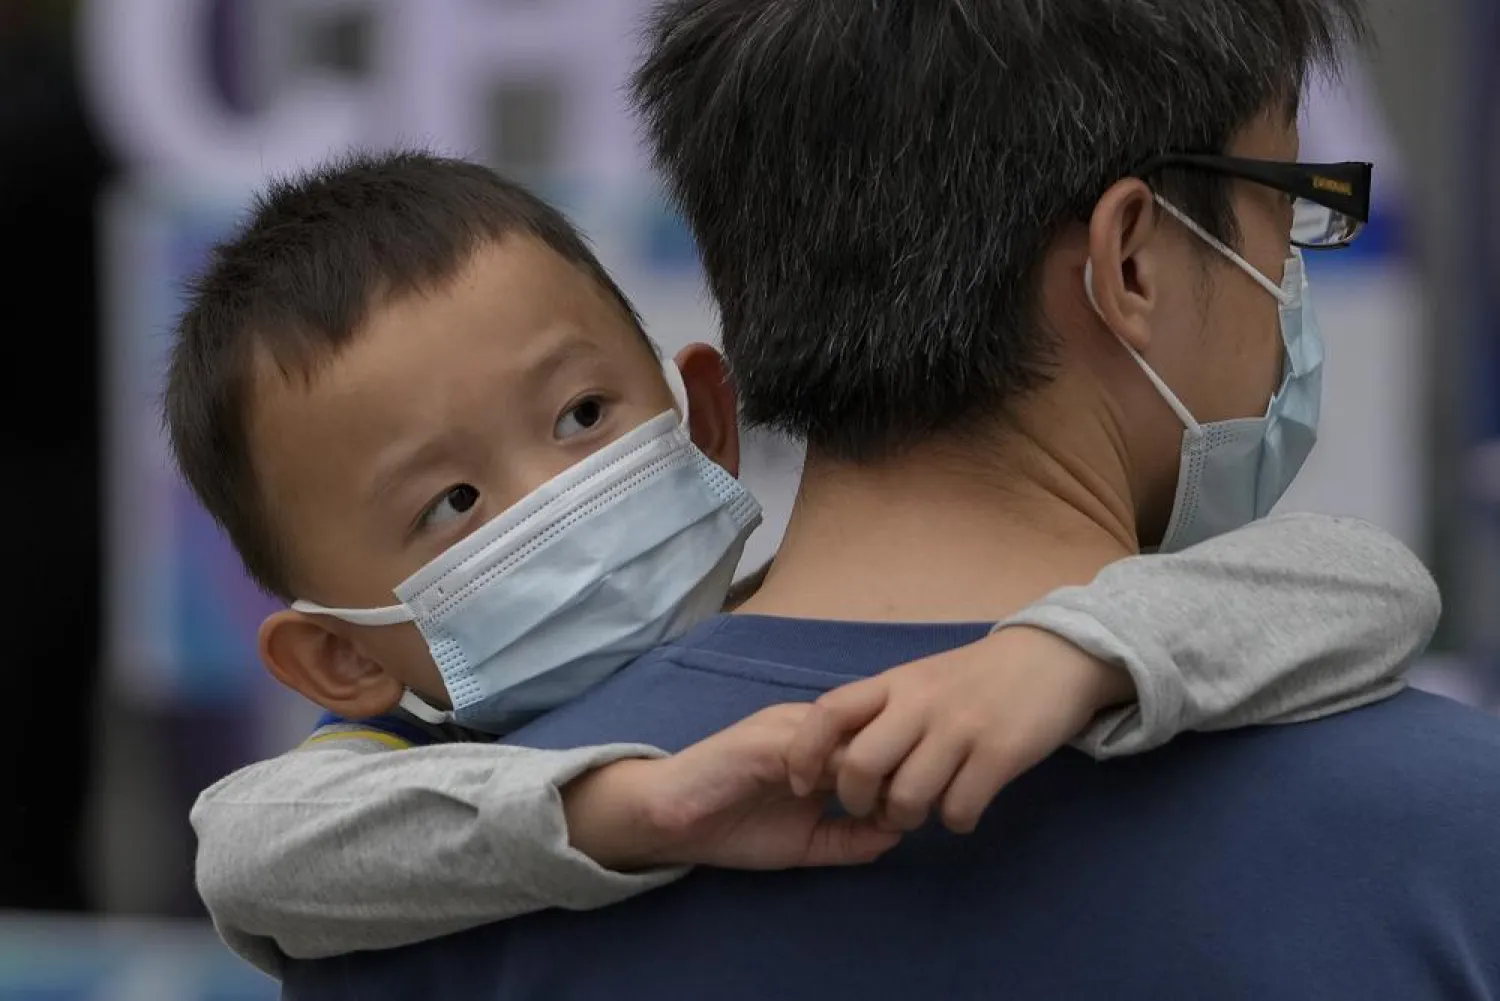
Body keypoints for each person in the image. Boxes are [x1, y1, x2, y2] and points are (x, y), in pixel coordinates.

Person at [276, 1, 1500, 999]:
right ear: (1132, 258)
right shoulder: (1451, 826)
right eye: (1287, 219)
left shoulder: (421, 872)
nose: (1287, 281)